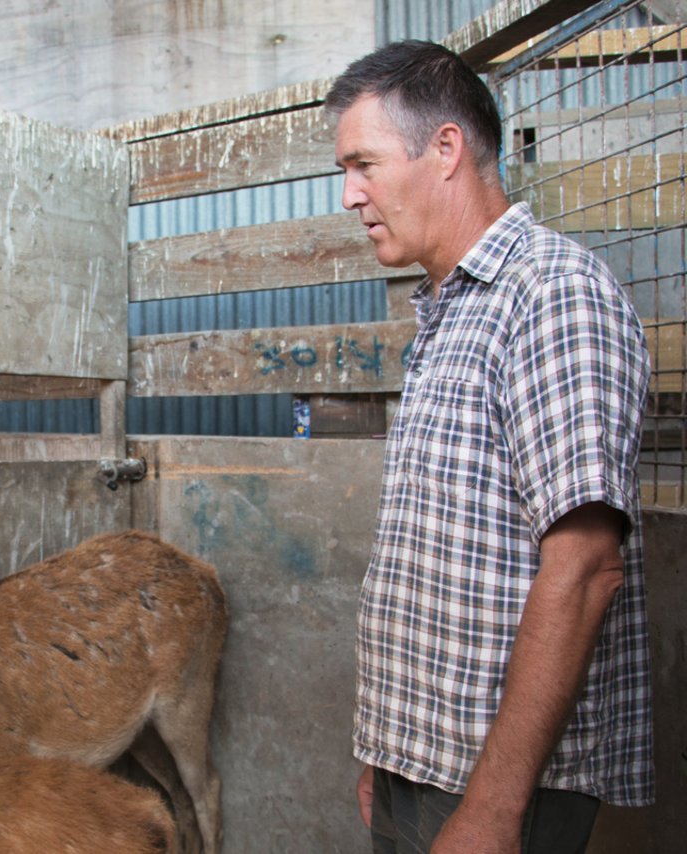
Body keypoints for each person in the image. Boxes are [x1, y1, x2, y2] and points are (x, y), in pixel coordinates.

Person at [325, 40, 654, 853]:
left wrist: (496, 807)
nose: (349, 194)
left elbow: (584, 569)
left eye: (363, 163)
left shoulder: (552, 297)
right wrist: (388, 753)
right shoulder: (450, 311)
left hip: (499, 782)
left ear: (445, 149)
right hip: (424, 761)